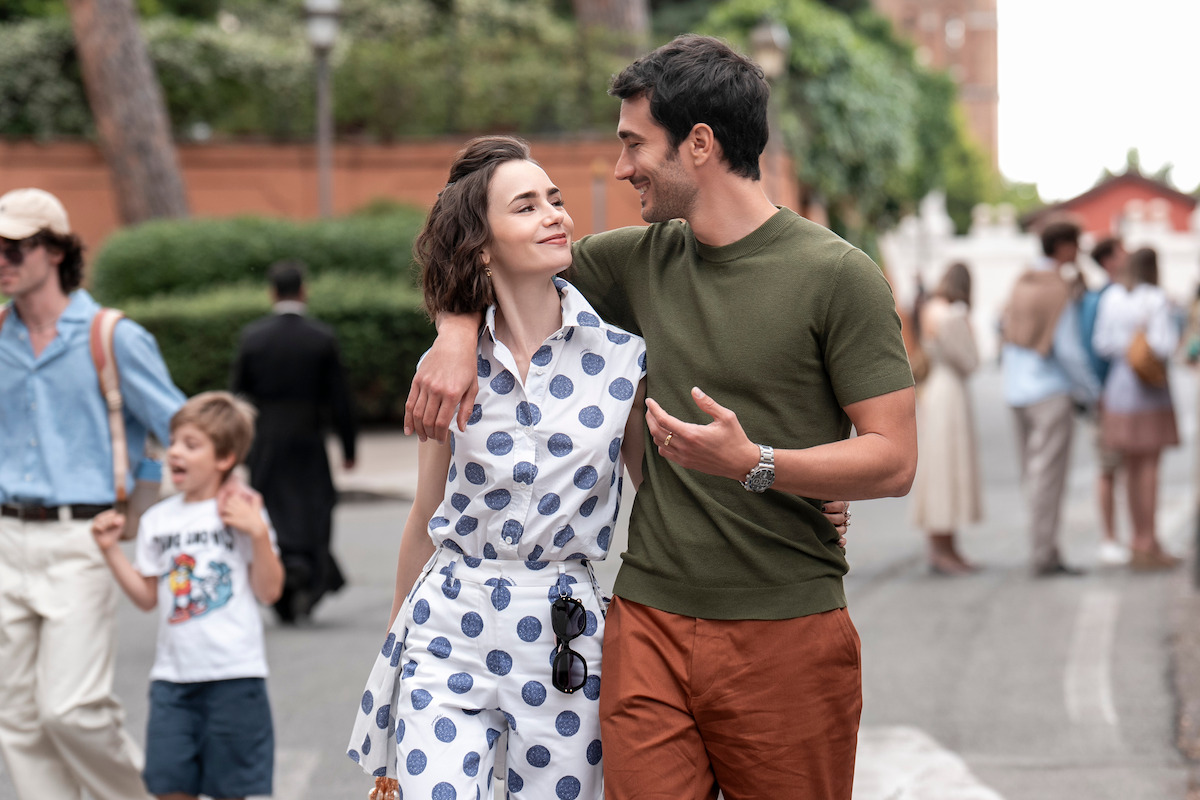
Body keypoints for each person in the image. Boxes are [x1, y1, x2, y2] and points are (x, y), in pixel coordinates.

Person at [403, 35, 915, 800]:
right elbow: (493, 251)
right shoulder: (634, 262)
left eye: (635, 143)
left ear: (699, 144)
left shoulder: (838, 275)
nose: (620, 168)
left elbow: (894, 460)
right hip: (645, 626)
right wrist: (451, 331)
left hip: (787, 627)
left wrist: (762, 463)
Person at [346, 135, 650, 800]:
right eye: (527, 206)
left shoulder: (625, 361)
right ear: (483, 245)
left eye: (557, 200)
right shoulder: (449, 367)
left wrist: (790, 492)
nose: (555, 215)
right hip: (447, 622)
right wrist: (392, 675)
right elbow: (425, 518)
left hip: (563, 633)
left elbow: (663, 496)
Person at [0, 187, 184, 800]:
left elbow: (183, 429)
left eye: (14, 246)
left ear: (53, 250)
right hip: (5, 537)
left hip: (82, 538)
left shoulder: (112, 336)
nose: (2, 258)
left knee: (69, 710)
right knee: (17, 721)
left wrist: (200, 502)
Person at [91, 391, 284, 799]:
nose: (175, 452)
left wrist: (259, 534)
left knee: (235, 789)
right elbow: (147, 598)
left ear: (224, 458)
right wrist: (110, 550)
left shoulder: (242, 509)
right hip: (172, 682)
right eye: (173, 441)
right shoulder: (157, 520)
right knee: (167, 785)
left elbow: (270, 591)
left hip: (235, 677)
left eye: (191, 445)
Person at [231, 260, 358, 624]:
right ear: (303, 290)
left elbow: (237, 396)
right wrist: (348, 448)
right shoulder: (321, 337)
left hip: (265, 441)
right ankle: (308, 577)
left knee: (269, 509)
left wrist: (234, 449)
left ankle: (281, 582)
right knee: (313, 509)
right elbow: (340, 399)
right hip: (308, 439)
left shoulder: (253, 337)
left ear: (272, 293)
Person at [1000, 220, 1100, 577]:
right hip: (1049, 390)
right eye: (1076, 244)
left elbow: (1006, 331)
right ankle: (1045, 554)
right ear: (1063, 247)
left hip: (1016, 389)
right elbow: (1069, 350)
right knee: (1048, 479)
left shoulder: (1022, 281)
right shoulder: (1059, 287)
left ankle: (1046, 548)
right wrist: (1092, 391)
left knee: (1033, 476)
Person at [1092, 246, 1181, 570]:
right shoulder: (1155, 298)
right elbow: (1164, 344)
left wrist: (1124, 346)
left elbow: (1101, 343)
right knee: (1150, 467)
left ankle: (1136, 541)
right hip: (1148, 389)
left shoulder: (1111, 296)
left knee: (1130, 468)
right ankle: (1149, 539)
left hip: (1118, 388)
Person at [909, 263, 981, 575]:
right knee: (947, 469)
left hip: (935, 391)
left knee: (940, 469)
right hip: (950, 393)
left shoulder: (929, 309)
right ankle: (943, 550)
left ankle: (945, 547)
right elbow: (970, 360)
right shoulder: (952, 315)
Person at [1080, 237, 1131, 565]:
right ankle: (1110, 537)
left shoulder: (1105, 296)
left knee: (1122, 466)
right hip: (1108, 395)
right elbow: (1092, 350)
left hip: (1117, 395)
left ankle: (1120, 536)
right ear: (1110, 260)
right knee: (1108, 466)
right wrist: (1098, 393)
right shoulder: (1100, 299)